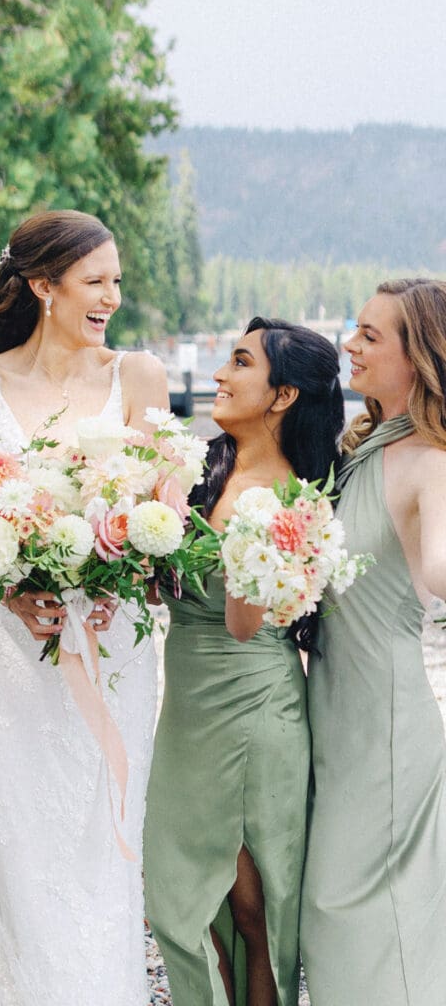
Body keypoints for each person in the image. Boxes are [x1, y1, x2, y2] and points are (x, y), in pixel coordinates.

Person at [0, 209, 169, 1005]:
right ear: (43, 286)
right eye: (95, 280)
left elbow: (163, 506)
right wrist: (13, 588)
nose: (112, 295)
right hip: (10, 658)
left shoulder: (137, 377)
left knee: (110, 849)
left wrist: (128, 571)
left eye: (116, 279)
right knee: (26, 854)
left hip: (115, 652)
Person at [144, 317, 344, 1006]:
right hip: (189, 712)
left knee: (257, 912)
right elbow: (156, 586)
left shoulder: (295, 499)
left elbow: (240, 625)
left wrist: (252, 547)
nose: (221, 377)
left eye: (239, 363)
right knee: (181, 899)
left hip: (257, 711)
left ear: (283, 396)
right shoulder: (205, 468)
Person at [301, 279, 446, 1006]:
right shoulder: (360, 449)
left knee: (356, 915)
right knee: (331, 916)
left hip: (386, 721)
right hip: (335, 709)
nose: (348, 346)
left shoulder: (430, 463)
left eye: (369, 336)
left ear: (416, 358)